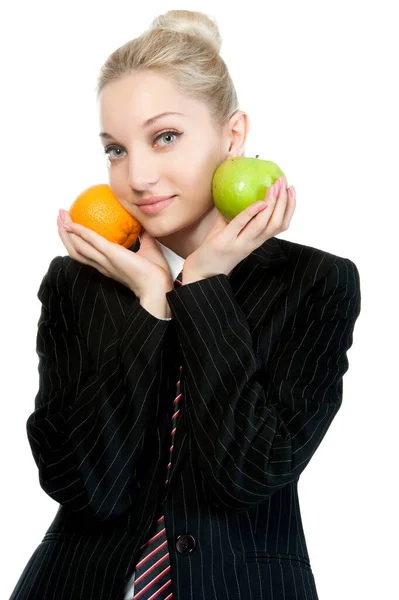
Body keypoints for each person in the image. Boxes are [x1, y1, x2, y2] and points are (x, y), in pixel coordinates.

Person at [10, 9, 361, 600]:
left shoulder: (315, 282)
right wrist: (153, 306)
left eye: (165, 137)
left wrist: (202, 288)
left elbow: (248, 473)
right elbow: (84, 486)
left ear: (233, 134)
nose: (138, 176)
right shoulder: (78, 283)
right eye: (115, 150)